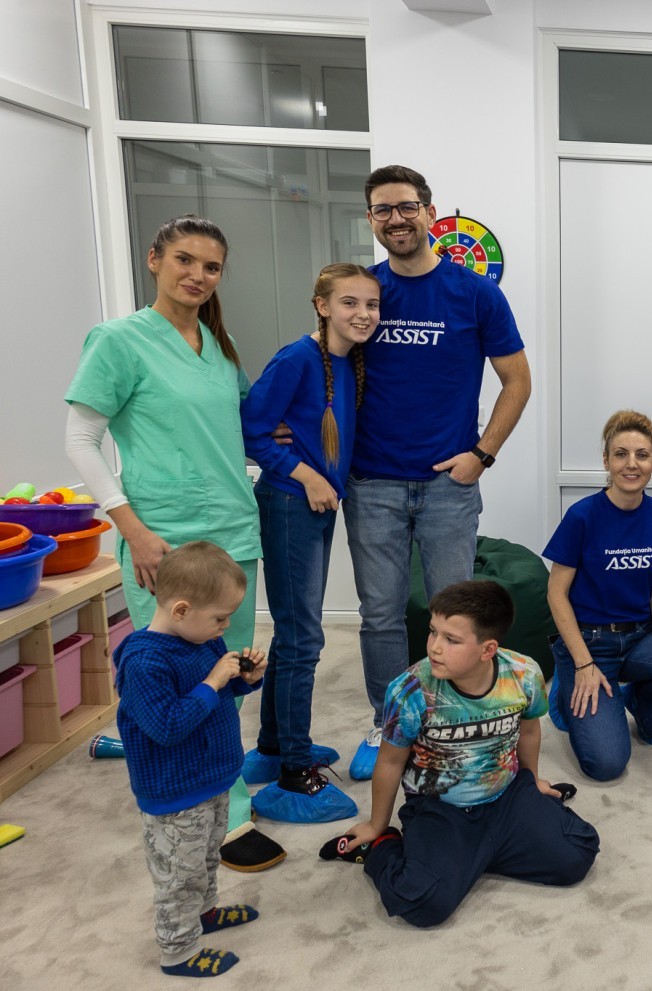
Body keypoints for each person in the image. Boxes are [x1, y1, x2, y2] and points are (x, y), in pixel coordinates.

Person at [65, 215, 285, 872]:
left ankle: (227, 795)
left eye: (211, 266)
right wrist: (130, 528)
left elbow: (242, 426)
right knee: (172, 681)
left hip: (232, 530)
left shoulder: (219, 344)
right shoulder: (118, 341)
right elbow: (81, 440)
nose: (198, 275)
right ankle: (206, 812)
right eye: (184, 259)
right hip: (163, 539)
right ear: (155, 259)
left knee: (228, 674)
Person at [346, 164, 532, 780]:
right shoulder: (363, 293)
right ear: (371, 219)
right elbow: (326, 370)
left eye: (407, 207)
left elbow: (517, 381)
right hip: (371, 483)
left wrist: (482, 455)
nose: (396, 219)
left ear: (429, 212)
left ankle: (449, 722)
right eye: (383, 210)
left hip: (448, 487)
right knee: (380, 614)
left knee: (454, 619)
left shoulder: (475, 293)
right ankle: (388, 724)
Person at [320, 581, 599, 927]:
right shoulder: (410, 690)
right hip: (440, 807)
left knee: (577, 854)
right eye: (433, 632)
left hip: (506, 795)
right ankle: (386, 849)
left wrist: (532, 780)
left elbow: (529, 731)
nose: (435, 647)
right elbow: (390, 761)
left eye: (451, 640)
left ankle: (470, 857)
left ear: (488, 649)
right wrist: (377, 826)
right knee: (422, 903)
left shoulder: (524, 674)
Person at [239, 263, 380, 823]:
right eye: (349, 303)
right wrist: (306, 475)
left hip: (316, 507)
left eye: (371, 304)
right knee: (303, 639)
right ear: (322, 306)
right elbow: (252, 430)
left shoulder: (347, 361)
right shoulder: (297, 358)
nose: (363, 314)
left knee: (295, 632)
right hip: (290, 505)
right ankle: (296, 772)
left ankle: (274, 747)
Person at [113, 541, 267, 978]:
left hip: (213, 779)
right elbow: (167, 726)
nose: (226, 627)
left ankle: (205, 912)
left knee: (205, 858)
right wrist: (213, 681)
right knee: (178, 876)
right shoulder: (144, 663)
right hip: (175, 794)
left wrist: (244, 680)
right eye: (220, 618)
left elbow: (218, 696)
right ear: (181, 610)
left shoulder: (201, 640)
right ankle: (177, 951)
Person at [543, 410, 652, 781]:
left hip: (639, 637)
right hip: (588, 643)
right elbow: (556, 594)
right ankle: (565, 692)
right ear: (606, 460)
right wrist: (583, 664)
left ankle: (641, 707)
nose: (631, 464)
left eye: (642, 455)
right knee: (606, 764)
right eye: (621, 454)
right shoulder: (582, 516)